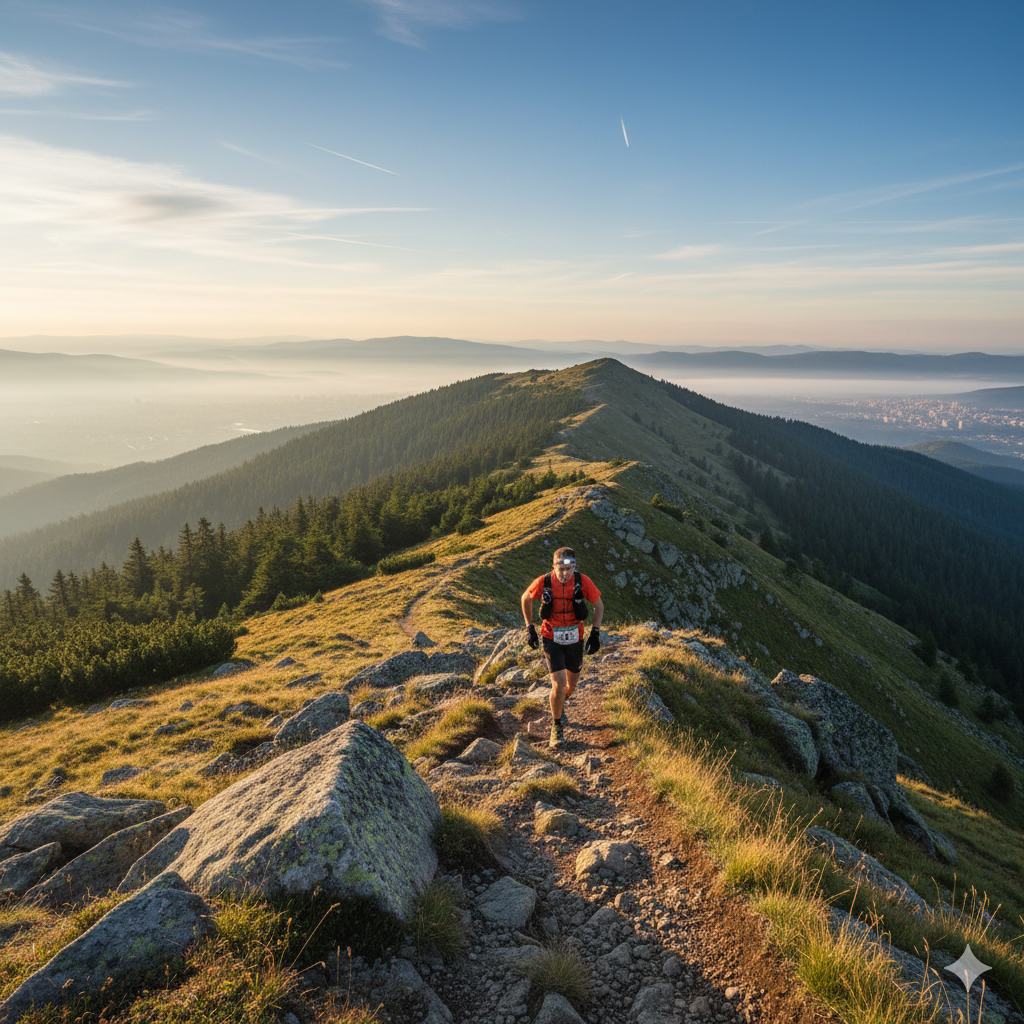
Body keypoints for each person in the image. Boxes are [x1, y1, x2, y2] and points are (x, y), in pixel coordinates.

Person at [521, 547, 604, 748]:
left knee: (570, 686)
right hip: (552, 637)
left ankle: (560, 703)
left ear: (574, 567)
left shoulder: (583, 581)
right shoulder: (545, 582)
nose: (566, 574)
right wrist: (529, 628)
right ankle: (556, 727)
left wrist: (595, 632)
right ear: (554, 566)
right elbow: (525, 598)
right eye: (561, 569)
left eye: (570, 569)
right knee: (558, 685)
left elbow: (599, 605)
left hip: (576, 637)